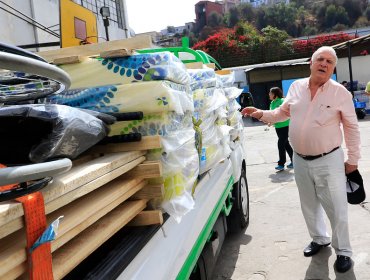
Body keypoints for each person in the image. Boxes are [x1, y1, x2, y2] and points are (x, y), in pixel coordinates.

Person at [242, 46, 360, 274]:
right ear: (311, 63)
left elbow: (352, 127)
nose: (324, 64)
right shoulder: (296, 87)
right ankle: (319, 238)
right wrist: (259, 113)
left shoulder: (340, 93)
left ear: (333, 67)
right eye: (321, 59)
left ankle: (343, 251)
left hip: (330, 159)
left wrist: (353, 159)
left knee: (336, 207)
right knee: (308, 203)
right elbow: (281, 114)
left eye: (330, 62)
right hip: (300, 159)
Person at [268, 87, 293, 171]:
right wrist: (270, 121)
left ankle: (281, 163)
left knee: (281, 144)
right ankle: (294, 161)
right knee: (286, 144)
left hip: (285, 125)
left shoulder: (282, 101)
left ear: (274, 94)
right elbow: (273, 114)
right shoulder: (272, 103)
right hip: (278, 127)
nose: (269, 95)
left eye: (270, 93)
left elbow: (286, 112)